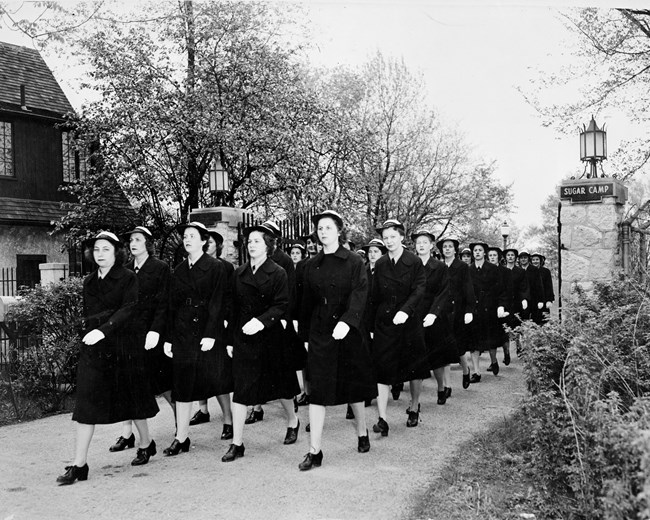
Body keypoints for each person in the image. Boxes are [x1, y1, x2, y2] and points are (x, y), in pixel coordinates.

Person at [57, 231, 159, 485]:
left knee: (132, 400)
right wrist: (88, 333)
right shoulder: (89, 281)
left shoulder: (128, 278)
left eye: (106, 250)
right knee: (85, 406)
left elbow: (128, 309)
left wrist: (102, 331)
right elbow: (89, 314)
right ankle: (79, 464)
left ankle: (146, 443)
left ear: (117, 253)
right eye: (97, 250)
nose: (100, 254)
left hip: (124, 346)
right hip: (95, 350)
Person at [298, 210, 376, 470]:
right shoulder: (310, 265)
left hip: (347, 332)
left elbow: (360, 293)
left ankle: (362, 432)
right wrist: (306, 336)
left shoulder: (354, 262)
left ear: (339, 231)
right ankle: (315, 450)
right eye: (320, 228)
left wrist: (348, 320)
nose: (323, 232)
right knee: (317, 392)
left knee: (352, 388)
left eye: (328, 228)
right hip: (320, 334)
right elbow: (305, 303)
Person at [222, 224, 300, 462]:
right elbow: (232, 308)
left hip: (270, 337)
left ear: (268, 245)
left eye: (257, 241)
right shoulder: (240, 272)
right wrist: (229, 340)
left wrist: (262, 321)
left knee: (281, 387)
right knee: (242, 389)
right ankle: (237, 443)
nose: (252, 245)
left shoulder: (278, 272)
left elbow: (281, 304)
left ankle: (293, 420)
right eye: (250, 241)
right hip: (245, 338)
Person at [162, 221, 232, 456]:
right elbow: (172, 305)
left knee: (217, 380)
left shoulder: (215, 267)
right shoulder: (179, 270)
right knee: (182, 387)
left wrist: (211, 333)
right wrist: (169, 338)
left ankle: (229, 421)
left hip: (206, 332)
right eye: (185, 236)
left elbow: (218, 302)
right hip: (182, 334)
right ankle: (181, 437)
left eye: (192, 236)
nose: (187, 239)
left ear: (203, 241)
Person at [109, 227, 174, 456]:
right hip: (130, 336)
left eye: (138, 239)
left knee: (163, 382)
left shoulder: (160, 268)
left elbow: (164, 303)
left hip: (152, 335)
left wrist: (156, 331)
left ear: (148, 243)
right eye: (130, 240)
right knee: (128, 385)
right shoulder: (125, 271)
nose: (133, 243)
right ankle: (128, 435)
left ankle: (180, 429)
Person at [368, 219, 429, 435]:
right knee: (382, 369)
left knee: (413, 368)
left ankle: (413, 407)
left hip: (409, 322)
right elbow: (374, 295)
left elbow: (420, 289)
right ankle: (382, 418)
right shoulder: (382, 263)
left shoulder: (413, 262)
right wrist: (371, 324)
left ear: (401, 237)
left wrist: (406, 310)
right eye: (385, 238)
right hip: (385, 322)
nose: (389, 241)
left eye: (393, 236)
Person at [188, 229, 234, 440]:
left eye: (214, 241)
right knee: (198, 371)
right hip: (195, 325)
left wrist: (224, 319)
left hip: (216, 324)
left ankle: (228, 419)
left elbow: (228, 296)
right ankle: (203, 409)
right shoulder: (190, 266)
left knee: (216, 373)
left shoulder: (224, 267)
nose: (210, 245)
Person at [411, 229, 452, 405]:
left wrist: (434, 314)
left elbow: (443, 293)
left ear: (431, 245)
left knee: (435, 359)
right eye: (418, 242)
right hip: (413, 316)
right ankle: (414, 403)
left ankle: (441, 387)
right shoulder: (410, 265)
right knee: (415, 361)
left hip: (433, 317)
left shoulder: (440, 267)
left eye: (424, 242)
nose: (421, 245)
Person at [436, 237, 475, 390]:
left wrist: (469, 310)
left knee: (458, 348)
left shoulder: (462, 267)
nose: (447, 249)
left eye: (450, 246)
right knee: (444, 349)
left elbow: (468, 289)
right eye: (444, 246)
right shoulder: (438, 266)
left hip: (458, 312)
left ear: (455, 249)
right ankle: (447, 386)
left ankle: (466, 371)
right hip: (441, 312)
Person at [467, 242, 507, 381]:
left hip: (489, 310)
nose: (477, 252)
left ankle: (494, 361)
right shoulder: (469, 270)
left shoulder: (492, 269)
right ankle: (476, 372)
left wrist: (501, 305)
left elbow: (501, 289)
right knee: (473, 342)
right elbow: (465, 291)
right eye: (475, 250)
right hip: (475, 310)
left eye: (480, 250)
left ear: (484, 253)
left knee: (491, 340)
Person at [502, 248, 529, 363]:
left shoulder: (520, 272)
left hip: (517, 303)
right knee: (504, 329)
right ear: (505, 257)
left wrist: (524, 299)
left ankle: (519, 348)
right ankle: (506, 353)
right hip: (505, 303)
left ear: (515, 257)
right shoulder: (501, 271)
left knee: (518, 327)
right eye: (508, 255)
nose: (510, 257)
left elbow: (524, 286)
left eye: (512, 255)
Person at [518, 250, 545, 325]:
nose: (523, 259)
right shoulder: (518, 270)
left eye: (525, 258)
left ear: (528, 259)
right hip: (522, 298)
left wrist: (541, 300)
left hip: (534, 298)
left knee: (535, 319)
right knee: (522, 318)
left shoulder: (534, 269)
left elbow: (539, 285)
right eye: (521, 258)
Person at [531, 253, 554, 323]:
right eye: (533, 260)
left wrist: (549, 300)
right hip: (533, 300)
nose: (535, 261)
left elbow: (549, 286)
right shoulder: (529, 271)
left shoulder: (546, 271)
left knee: (544, 320)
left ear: (540, 261)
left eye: (537, 259)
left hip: (544, 298)